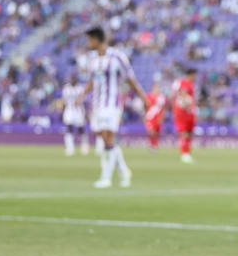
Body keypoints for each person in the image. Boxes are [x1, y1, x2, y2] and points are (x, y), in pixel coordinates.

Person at [78, 26, 149, 189]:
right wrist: (82, 94)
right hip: (97, 105)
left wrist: (143, 97)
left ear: (97, 39)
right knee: (105, 139)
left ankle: (106, 177)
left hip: (112, 104)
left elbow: (130, 79)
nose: (88, 43)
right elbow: (92, 81)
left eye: (90, 39)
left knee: (107, 137)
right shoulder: (93, 59)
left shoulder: (117, 57)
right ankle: (124, 171)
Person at [172, 67, 199, 164]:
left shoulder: (191, 84)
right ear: (191, 74)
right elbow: (182, 94)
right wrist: (186, 103)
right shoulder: (183, 83)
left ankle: (187, 153)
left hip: (190, 112)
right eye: (195, 75)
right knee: (183, 132)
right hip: (182, 111)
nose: (195, 77)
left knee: (189, 132)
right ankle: (184, 154)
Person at [60, 77, 88, 157]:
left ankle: (84, 147)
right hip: (69, 110)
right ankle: (70, 148)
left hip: (78, 111)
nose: (73, 80)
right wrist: (62, 111)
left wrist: (85, 112)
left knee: (81, 129)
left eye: (74, 79)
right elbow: (64, 101)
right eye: (72, 79)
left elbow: (84, 100)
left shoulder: (80, 88)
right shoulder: (66, 88)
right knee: (69, 128)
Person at [144, 85, 167, 150]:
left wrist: (162, 117)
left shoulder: (162, 97)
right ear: (153, 89)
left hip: (158, 117)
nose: (157, 90)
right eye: (156, 88)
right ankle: (152, 144)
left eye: (158, 88)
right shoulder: (149, 96)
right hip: (150, 116)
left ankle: (155, 145)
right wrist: (145, 114)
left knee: (157, 132)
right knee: (151, 131)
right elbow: (145, 106)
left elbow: (163, 108)